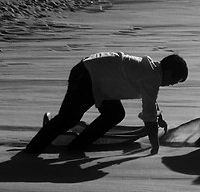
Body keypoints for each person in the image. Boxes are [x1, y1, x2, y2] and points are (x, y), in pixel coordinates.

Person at [24, 51, 188, 156]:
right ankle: (32, 150)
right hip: (87, 76)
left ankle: (77, 145)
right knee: (68, 119)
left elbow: (151, 103)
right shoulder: (152, 77)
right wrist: (155, 148)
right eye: (175, 80)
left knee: (115, 113)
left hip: (99, 81)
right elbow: (149, 115)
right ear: (168, 72)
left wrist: (158, 116)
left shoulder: (152, 71)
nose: (173, 84)